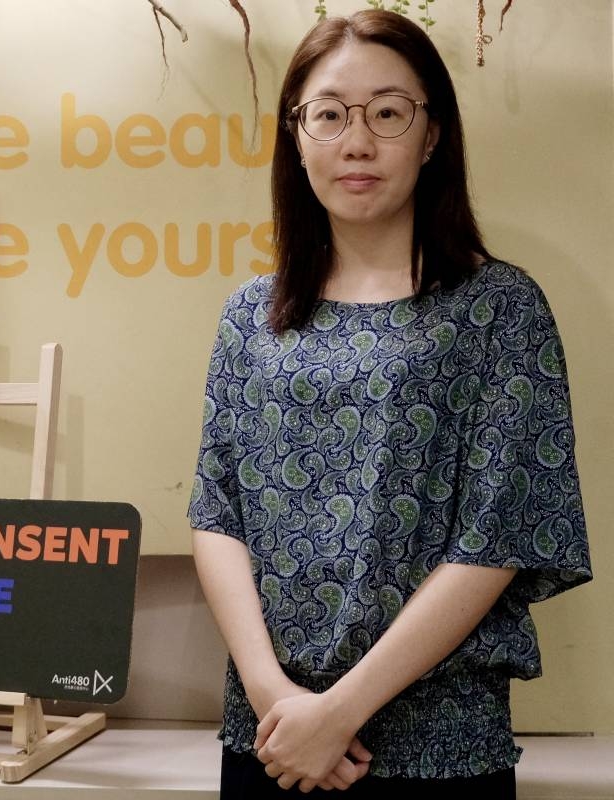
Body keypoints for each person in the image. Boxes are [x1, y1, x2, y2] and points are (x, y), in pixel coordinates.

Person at [187, 9, 592, 798]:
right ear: (296, 136)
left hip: (440, 748)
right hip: (272, 741)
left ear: (431, 133)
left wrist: (339, 712)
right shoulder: (251, 314)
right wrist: (279, 701)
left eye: (388, 113)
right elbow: (216, 512)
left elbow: (496, 538)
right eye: (329, 115)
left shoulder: (498, 308)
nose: (357, 141)